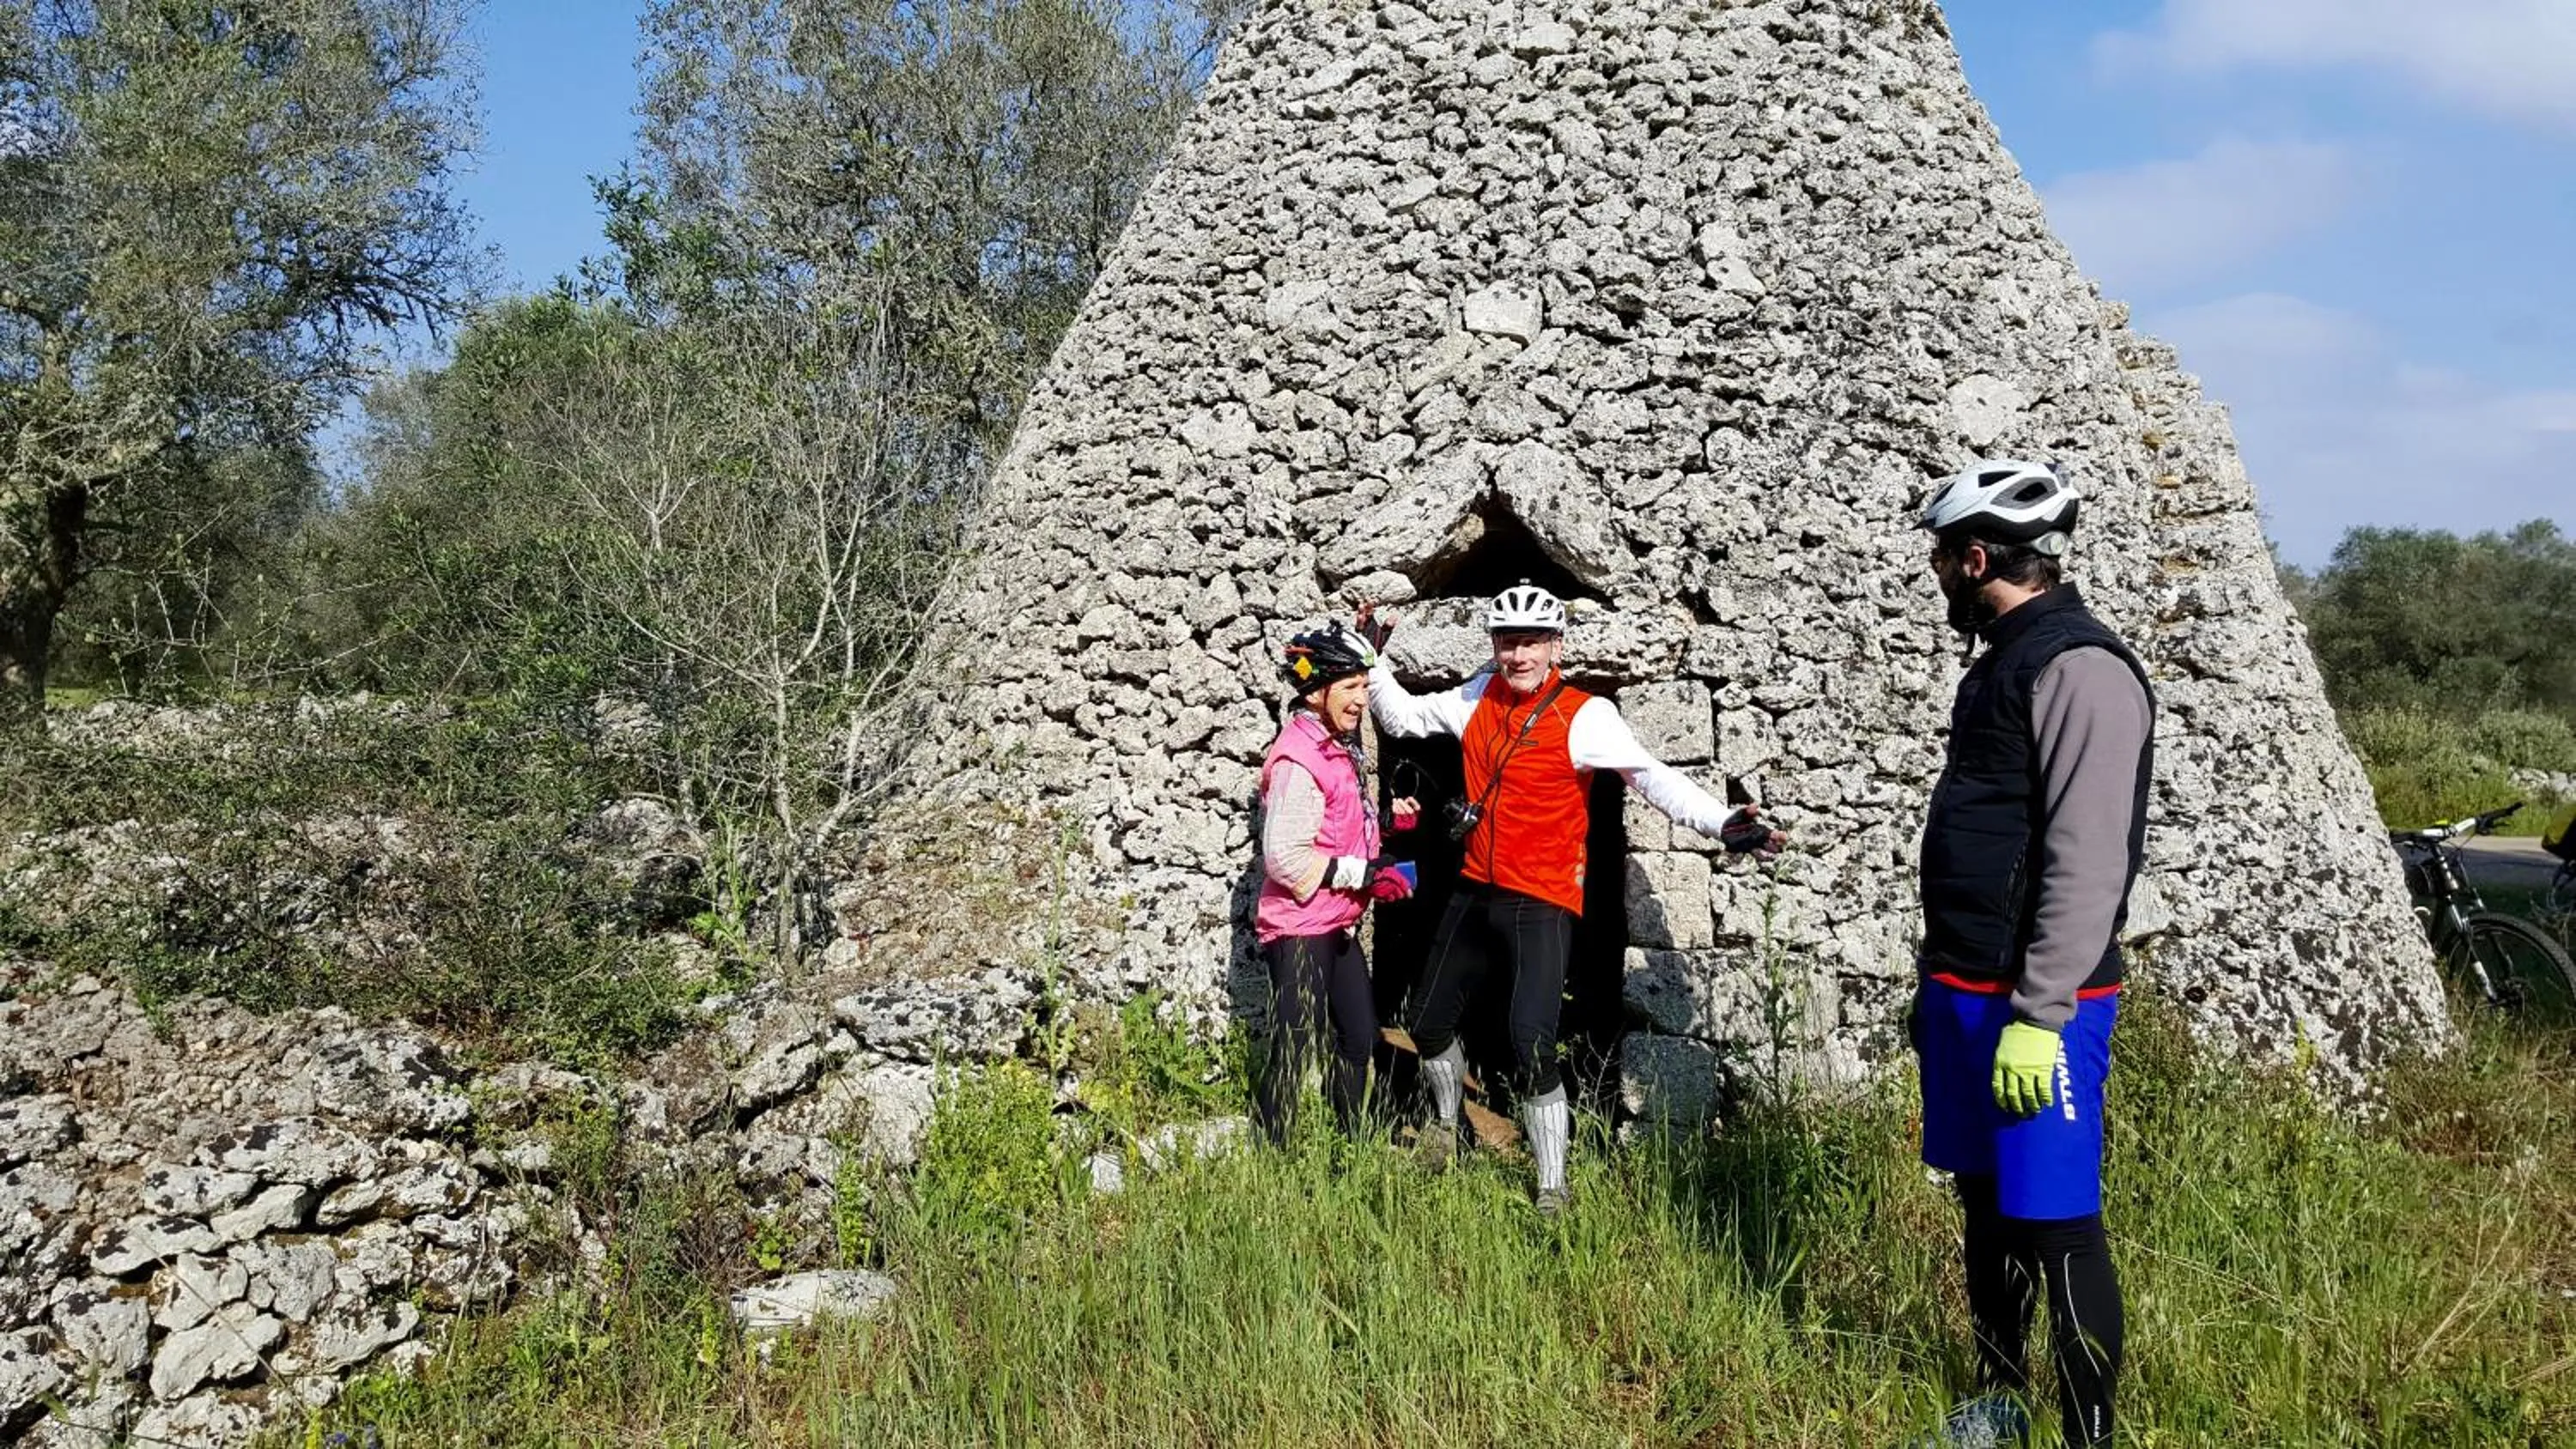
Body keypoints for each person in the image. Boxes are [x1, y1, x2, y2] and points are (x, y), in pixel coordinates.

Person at [1356, 584, 1780, 1216]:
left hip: (1542, 900)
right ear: (1494, 645)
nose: (1518, 654)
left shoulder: (1585, 715)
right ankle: (1447, 1126)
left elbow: (1652, 777)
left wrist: (1722, 824)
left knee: (1530, 1041)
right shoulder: (1477, 696)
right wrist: (1373, 659)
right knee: (1428, 1021)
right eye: (1507, 641)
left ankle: (1552, 1185)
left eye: (1530, 642)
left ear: (1555, 646)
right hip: (1475, 888)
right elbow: (1403, 719)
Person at [1907, 459, 2154, 1449]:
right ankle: (1999, 1403)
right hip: (1963, 986)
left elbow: (2088, 861)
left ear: (1977, 558)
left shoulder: (2081, 667)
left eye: (1940, 560)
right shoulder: (2001, 659)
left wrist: (2042, 1013)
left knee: (2055, 1222)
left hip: (2038, 1006)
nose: (1936, 577)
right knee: (1984, 1206)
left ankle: (2088, 1434)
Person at [1253, 623, 1420, 1144]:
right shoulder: (1298, 759)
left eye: (1364, 686)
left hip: (1335, 922)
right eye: (1350, 687)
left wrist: (1386, 824)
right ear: (1315, 690)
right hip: (1300, 928)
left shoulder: (1335, 746)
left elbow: (1337, 823)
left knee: (1359, 1037)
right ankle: (1272, 1158)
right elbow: (1284, 857)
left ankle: (1351, 1147)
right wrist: (1366, 875)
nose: (1361, 699)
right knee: (1295, 1048)